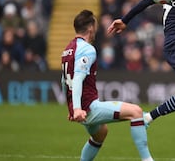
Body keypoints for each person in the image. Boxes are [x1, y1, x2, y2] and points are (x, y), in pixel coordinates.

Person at [61, 10, 154, 161]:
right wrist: (77, 108)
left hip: (80, 109)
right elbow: (77, 78)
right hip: (88, 108)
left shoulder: (68, 50)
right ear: (91, 28)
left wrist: (71, 106)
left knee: (100, 133)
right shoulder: (87, 49)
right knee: (136, 112)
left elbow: (64, 80)